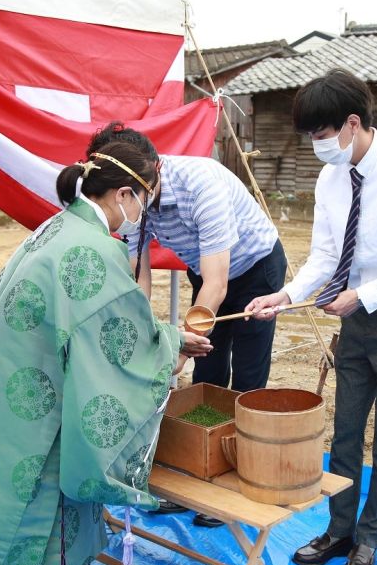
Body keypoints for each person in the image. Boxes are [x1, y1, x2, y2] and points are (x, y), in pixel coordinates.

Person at [0, 141, 212, 565]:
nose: (143, 211)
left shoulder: (55, 227)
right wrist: (170, 348)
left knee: (3, 488)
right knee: (43, 492)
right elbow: (115, 347)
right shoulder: (95, 251)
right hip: (41, 404)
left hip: (2, 386)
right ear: (125, 193)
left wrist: (161, 338)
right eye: (146, 197)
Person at [246, 69, 377, 565]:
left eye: (320, 134)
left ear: (351, 124)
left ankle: (370, 541)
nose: (317, 145)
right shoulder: (330, 178)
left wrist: (365, 295)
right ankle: (339, 531)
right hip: (354, 323)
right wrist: (285, 296)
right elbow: (327, 255)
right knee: (345, 434)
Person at [87, 122, 286, 527]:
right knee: (207, 376)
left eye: (130, 190)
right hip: (206, 270)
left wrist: (177, 347)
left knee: (246, 379)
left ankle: (237, 483)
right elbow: (138, 278)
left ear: (153, 168)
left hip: (254, 270)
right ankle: (203, 474)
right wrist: (140, 337)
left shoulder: (202, 184)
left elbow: (218, 283)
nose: (126, 200)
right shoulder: (133, 197)